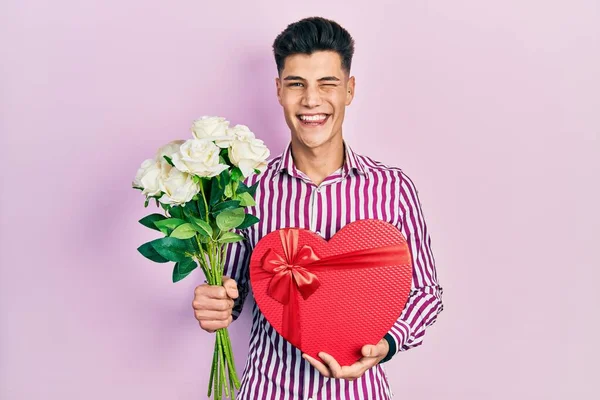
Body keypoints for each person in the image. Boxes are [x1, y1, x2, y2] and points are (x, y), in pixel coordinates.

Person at [191, 16, 444, 400]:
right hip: (267, 390)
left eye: (328, 84)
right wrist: (217, 302)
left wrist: (387, 345)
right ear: (278, 90)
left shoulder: (393, 189)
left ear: (349, 90)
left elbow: (426, 292)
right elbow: (235, 291)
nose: (311, 100)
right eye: (297, 85)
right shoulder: (246, 190)